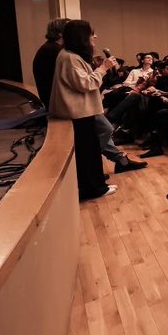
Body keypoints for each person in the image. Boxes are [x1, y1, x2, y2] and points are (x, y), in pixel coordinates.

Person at [50, 20, 118, 200]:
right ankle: (93, 188)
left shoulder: (70, 55)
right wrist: (103, 68)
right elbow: (85, 83)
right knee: (87, 152)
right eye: (91, 34)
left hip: (81, 112)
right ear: (81, 37)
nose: (94, 37)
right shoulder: (70, 57)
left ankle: (94, 183)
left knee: (90, 150)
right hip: (78, 113)